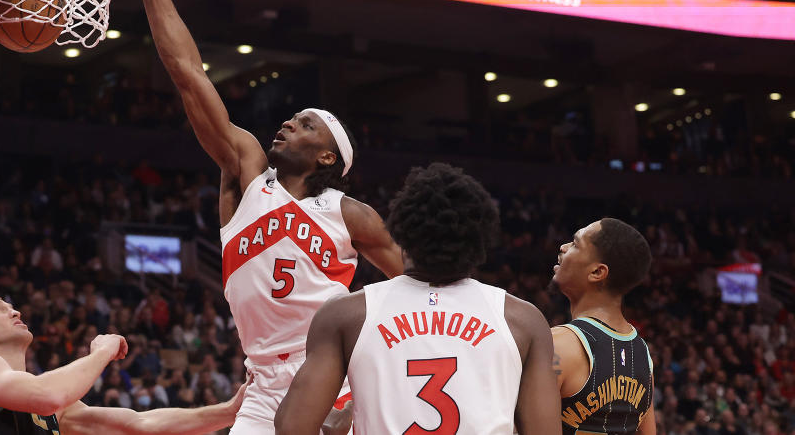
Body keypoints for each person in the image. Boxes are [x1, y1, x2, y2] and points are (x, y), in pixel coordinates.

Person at [127, 0, 404, 434]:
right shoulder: (247, 173)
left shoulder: (351, 214)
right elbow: (189, 75)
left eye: (304, 125)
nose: (288, 124)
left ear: (328, 157)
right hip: (260, 383)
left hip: (330, 370)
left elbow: (423, 281)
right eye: (292, 118)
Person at [274, 163, 561, 434]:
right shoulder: (523, 320)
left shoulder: (346, 315)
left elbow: (291, 427)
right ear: (480, 240)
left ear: (402, 233)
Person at [0, 295, 250, 435]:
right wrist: (101, 353)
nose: (14, 310)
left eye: (11, 306)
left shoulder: (60, 406)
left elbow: (140, 426)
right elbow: (47, 396)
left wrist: (228, 412)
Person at [550, 218, 656, 435]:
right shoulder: (644, 356)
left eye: (575, 244)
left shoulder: (558, 343)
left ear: (597, 272)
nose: (563, 247)